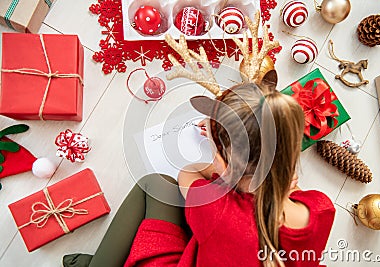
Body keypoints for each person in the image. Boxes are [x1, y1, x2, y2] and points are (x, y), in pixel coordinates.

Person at [63, 83, 335, 267]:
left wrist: (221, 170)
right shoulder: (321, 208)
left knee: (155, 184)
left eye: (214, 148)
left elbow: (188, 172)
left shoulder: (215, 208)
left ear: (227, 163)